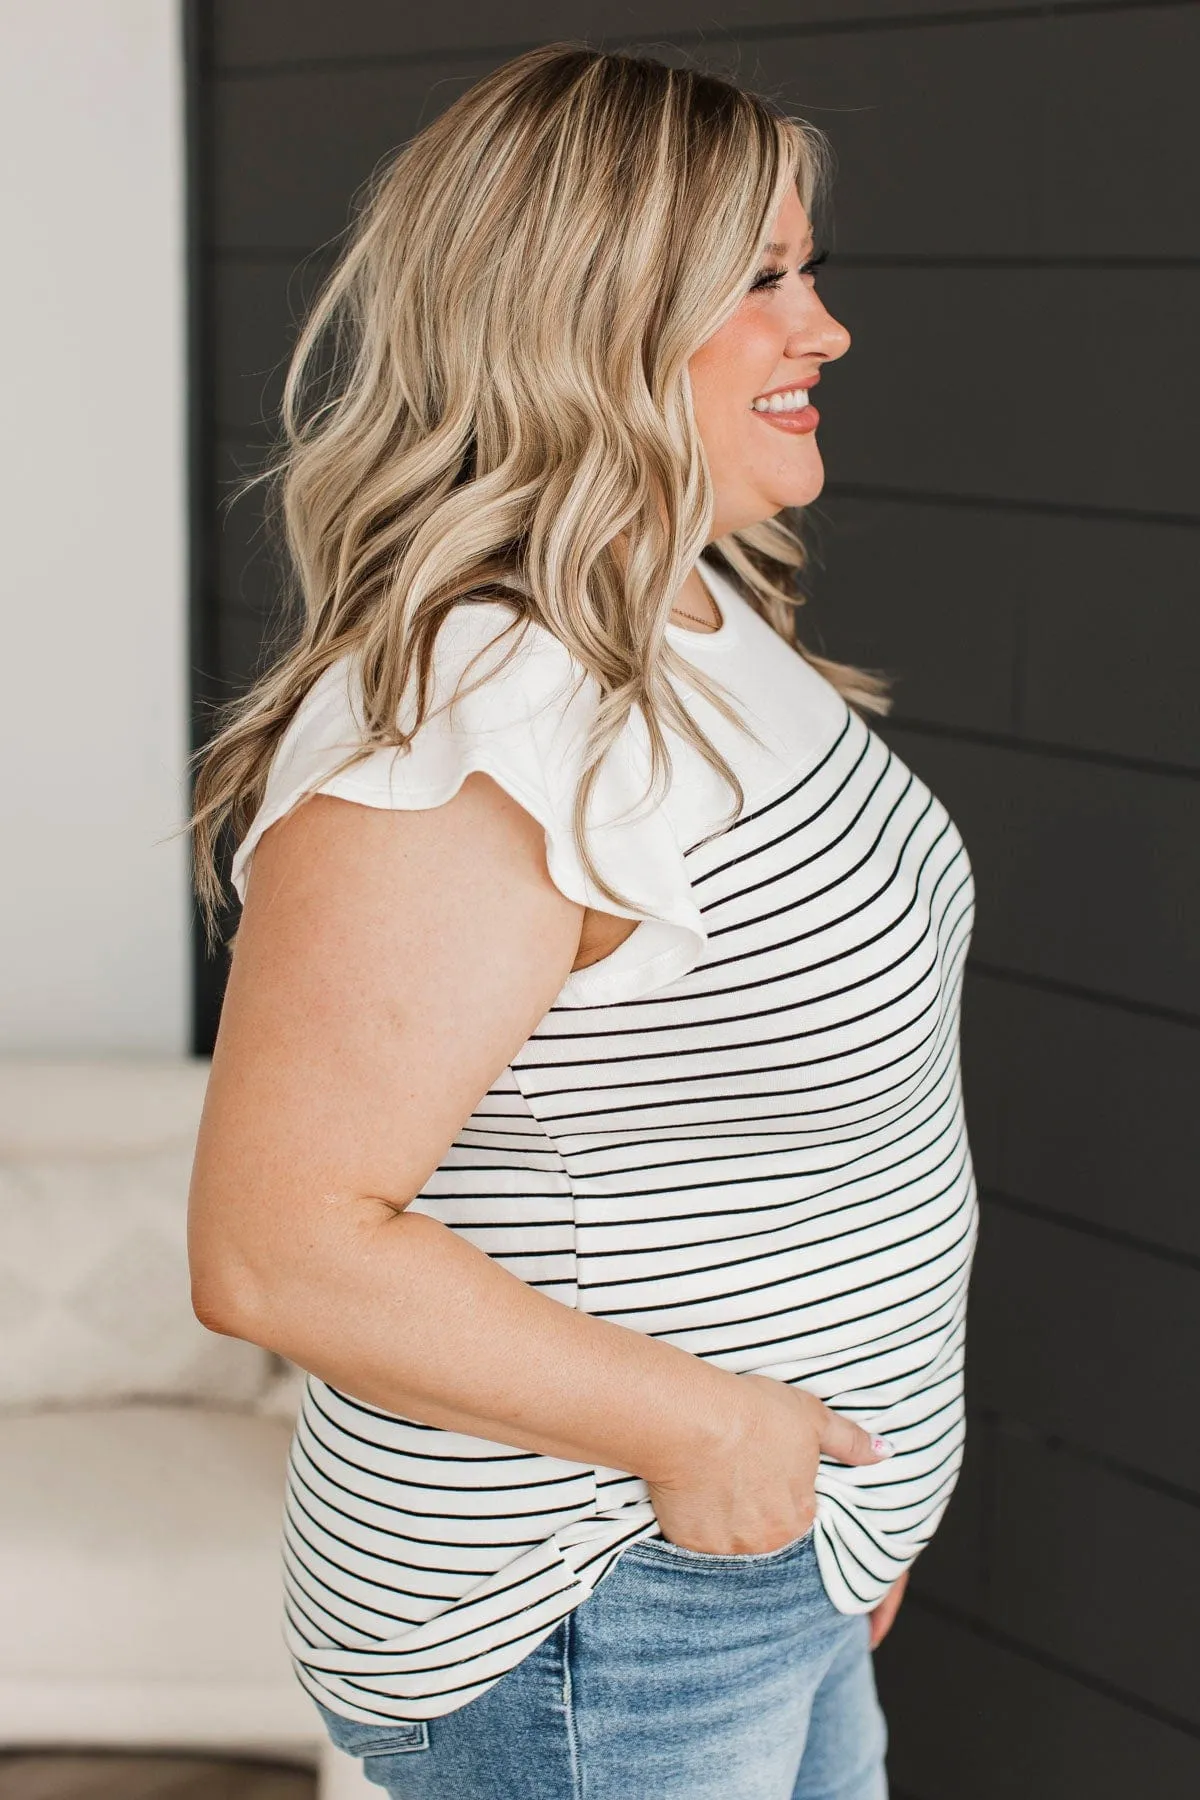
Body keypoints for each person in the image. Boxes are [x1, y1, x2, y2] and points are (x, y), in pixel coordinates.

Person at [187, 42, 977, 1800]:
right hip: (599, 1597)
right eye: (759, 281)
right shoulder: (490, 714)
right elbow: (278, 1248)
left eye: (806, 268)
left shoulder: (679, 598)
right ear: (583, 320)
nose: (821, 327)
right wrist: (723, 1442)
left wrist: (848, 1499)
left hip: (772, 1553)